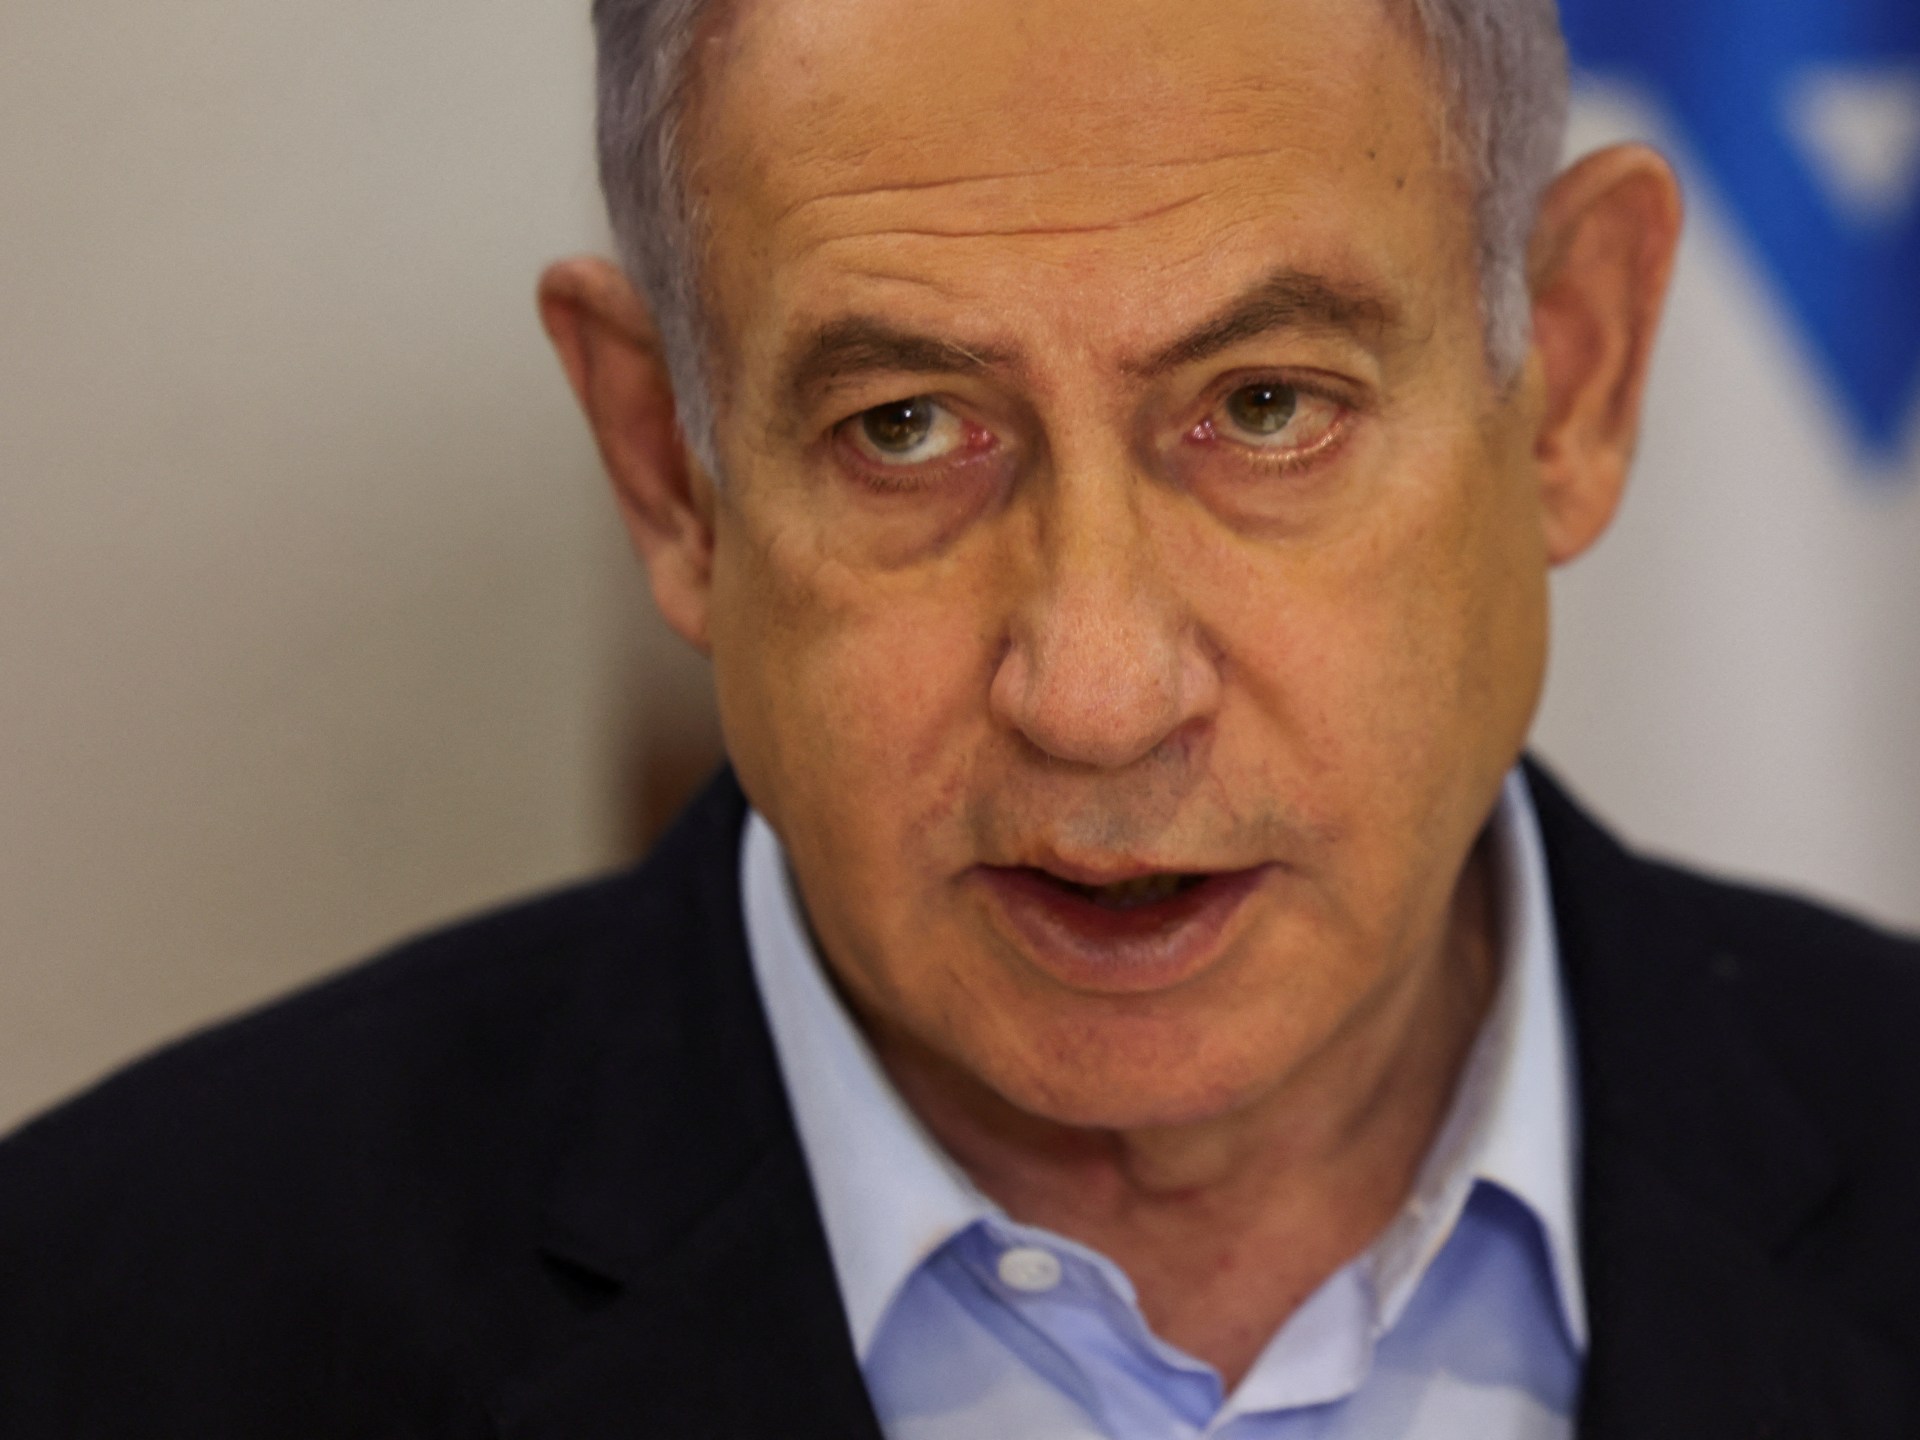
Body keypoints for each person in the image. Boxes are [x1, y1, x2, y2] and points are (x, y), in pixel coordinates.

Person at [2, 0, 1916, 1434]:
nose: (1096, 697)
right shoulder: (105, 1329)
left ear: (1571, 377)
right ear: (670, 470)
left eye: (1265, 408)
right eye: (904, 429)